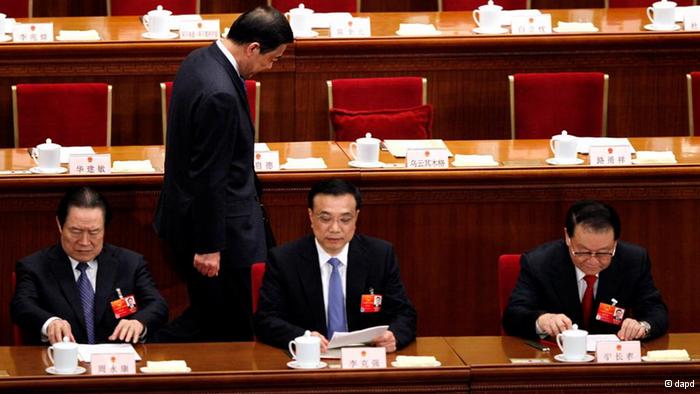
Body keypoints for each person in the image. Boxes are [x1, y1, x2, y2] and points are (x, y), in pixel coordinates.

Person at [153, 6, 293, 342]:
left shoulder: (200, 59)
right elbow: (209, 176)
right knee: (227, 324)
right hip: (221, 234)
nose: (270, 67)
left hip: (197, 217)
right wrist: (209, 245)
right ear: (253, 48)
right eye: (272, 58)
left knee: (212, 317)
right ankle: (151, 350)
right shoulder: (220, 93)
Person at [255, 179, 417, 352]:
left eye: (345, 219)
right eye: (325, 218)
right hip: (310, 363)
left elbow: (405, 314)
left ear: (356, 217)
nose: (335, 228)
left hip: (364, 361)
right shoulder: (284, 260)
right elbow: (265, 319)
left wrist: (394, 336)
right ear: (310, 216)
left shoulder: (380, 255)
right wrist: (304, 337)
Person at [11, 187, 168, 345]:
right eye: (76, 231)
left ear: (105, 228)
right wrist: (50, 323)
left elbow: (157, 305)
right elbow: (21, 306)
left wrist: (138, 323)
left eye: (94, 232)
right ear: (60, 225)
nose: (85, 242)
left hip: (116, 363)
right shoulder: (34, 266)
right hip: (60, 362)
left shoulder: (130, 263)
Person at [503, 200, 668, 340]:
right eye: (583, 251)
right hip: (557, 358)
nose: (592, 260)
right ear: (568, 237)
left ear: (615, 242)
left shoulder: (633, 260)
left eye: (603, 253)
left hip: (611, 360)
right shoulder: (539, 263)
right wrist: (542, 320)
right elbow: (513, 316)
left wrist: (642, 326)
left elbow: (656, 311)